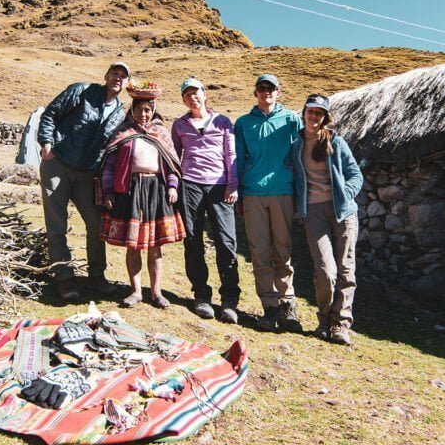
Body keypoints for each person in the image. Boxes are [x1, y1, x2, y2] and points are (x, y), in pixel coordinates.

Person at [37, 62, 130, 301]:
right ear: (106, 75)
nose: (117, 78)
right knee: (57, 221)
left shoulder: (120, 112)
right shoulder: (81, 91)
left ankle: (97, 275)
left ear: (127, 83)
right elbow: (50, 114)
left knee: (96, 222)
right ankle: (64, 277)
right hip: (58, 162)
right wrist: (47, 143)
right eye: (114, 73)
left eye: (123, 76)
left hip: (87, 173)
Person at [98, 82, 186, 309]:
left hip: (156, 189)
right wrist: (108, 191)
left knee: (156, 246)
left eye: (148, 109)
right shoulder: (123, 133)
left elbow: (171, 164)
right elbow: (109, 165)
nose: (143, 114)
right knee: (133, 245)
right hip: (130, 190)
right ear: (132, 110)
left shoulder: (161, 133)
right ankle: (135, 291)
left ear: (154, 110)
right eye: (139, 109)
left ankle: (156, 292)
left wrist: (173, 186)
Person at [291, 94, 363, 346]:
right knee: (324, 270)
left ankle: (340, 324)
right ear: (304, 113)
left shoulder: (336, 142)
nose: (314, 117)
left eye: (319, 113)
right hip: (314, 212)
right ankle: (323, 320)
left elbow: (356, 175)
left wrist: (345, 194)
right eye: (311, 112)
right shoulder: (296, 145)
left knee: (345, 268)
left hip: (343, 211)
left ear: (325, 117)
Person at [235, 74, 303, 332]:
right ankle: (269, 306)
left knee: (282, 251)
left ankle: (288, 305)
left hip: (283, 191)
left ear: (278, 92)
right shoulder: (243, 123)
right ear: (255, 93)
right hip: (253, 193)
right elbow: (238, 160)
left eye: (271, 89)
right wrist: (239, 193)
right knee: (259, 251)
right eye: (262, 89)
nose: (266, 93)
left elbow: (300, 157)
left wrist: (299, 194)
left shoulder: (291, 120)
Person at [171, 77, 240, 323]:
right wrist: (175, 185)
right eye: (187, 94)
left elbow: (230, 154)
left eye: (196, 92)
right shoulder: (179, 125)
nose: (193, 97)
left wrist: (233, 184)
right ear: (183, 99)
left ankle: (229, 299)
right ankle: (201, 295)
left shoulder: (222, 121)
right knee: (193, 240)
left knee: (226, 241)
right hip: (190, 185)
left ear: (205, 94)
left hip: (220, 186)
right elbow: (175, 157)